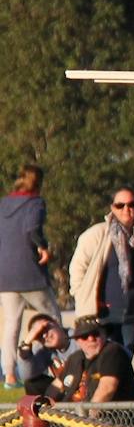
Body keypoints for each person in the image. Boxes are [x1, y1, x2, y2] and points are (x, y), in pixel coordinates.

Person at [69, 186, 134, 355]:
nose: (126, 209)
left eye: (131, 204)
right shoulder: (97, 234)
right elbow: (77, 269)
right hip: (104, 314)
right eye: (120, 205)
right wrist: (85, 298)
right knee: (107, 361)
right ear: (112, 208)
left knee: (126, 359)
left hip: (133, 313)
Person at [1, 164, 60, 387]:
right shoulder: (35, 203)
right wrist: (43, 247)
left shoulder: (3, 204)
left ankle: (9, 374)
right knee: (52, 315)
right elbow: (32, 228)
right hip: (29, 272)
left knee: (11, 323)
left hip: (5, 274)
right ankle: (58, 362)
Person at [51, 316, 134, 403]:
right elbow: (55, 387)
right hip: (71, 413)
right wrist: (43, 404)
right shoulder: (75, 358)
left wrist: (89, 415)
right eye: (84, 336)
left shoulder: (112, 352)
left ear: (104, 334)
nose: (91, 339)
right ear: (77, 341)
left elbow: (106, 389)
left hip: (108, 415)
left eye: (95, 334)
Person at [16, 314, 71, 397]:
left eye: (46, 329)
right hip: (67, 389)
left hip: (86, 388)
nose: (45, 336)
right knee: (32, 383)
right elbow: (26, 375)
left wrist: (60, 380)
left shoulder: (79, 338)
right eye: (39, 335)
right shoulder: (45, 349)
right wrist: (27, 342)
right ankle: (46, 409)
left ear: (56, 322)